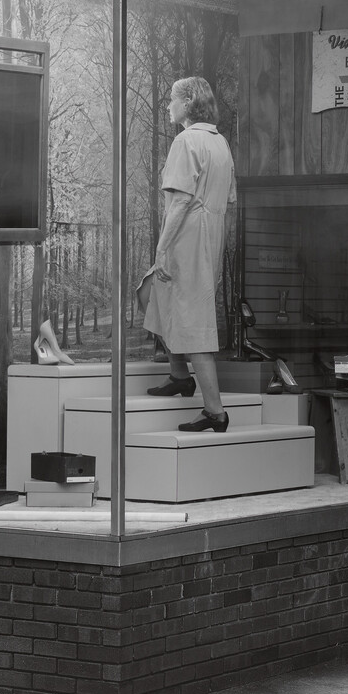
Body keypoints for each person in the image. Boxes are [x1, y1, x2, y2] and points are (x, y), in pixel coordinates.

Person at [140, 76, 236, 431]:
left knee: (193, 322)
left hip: (188, 236)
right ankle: (179, 375)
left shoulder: (186, 140)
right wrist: (219, 251)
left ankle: (215, 411)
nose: (168, 105)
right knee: (152, 293)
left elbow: (180, 201)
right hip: (209, 235)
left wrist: (162, 249)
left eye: (173, 99)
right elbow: (230, 202)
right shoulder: (220, 143)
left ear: (188, 103)